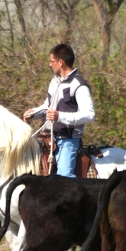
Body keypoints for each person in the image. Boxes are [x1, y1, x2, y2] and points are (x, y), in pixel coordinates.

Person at [23, 43, 94, 178]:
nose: (50, 64)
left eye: (52, 61)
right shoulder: (54, 81)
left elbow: (89, 115)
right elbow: (47, 106)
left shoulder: (79, 86)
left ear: (60, 62)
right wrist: (33, 113)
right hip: (47, 137)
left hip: (68, 140)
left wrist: (59, 116)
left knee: (64, 179)